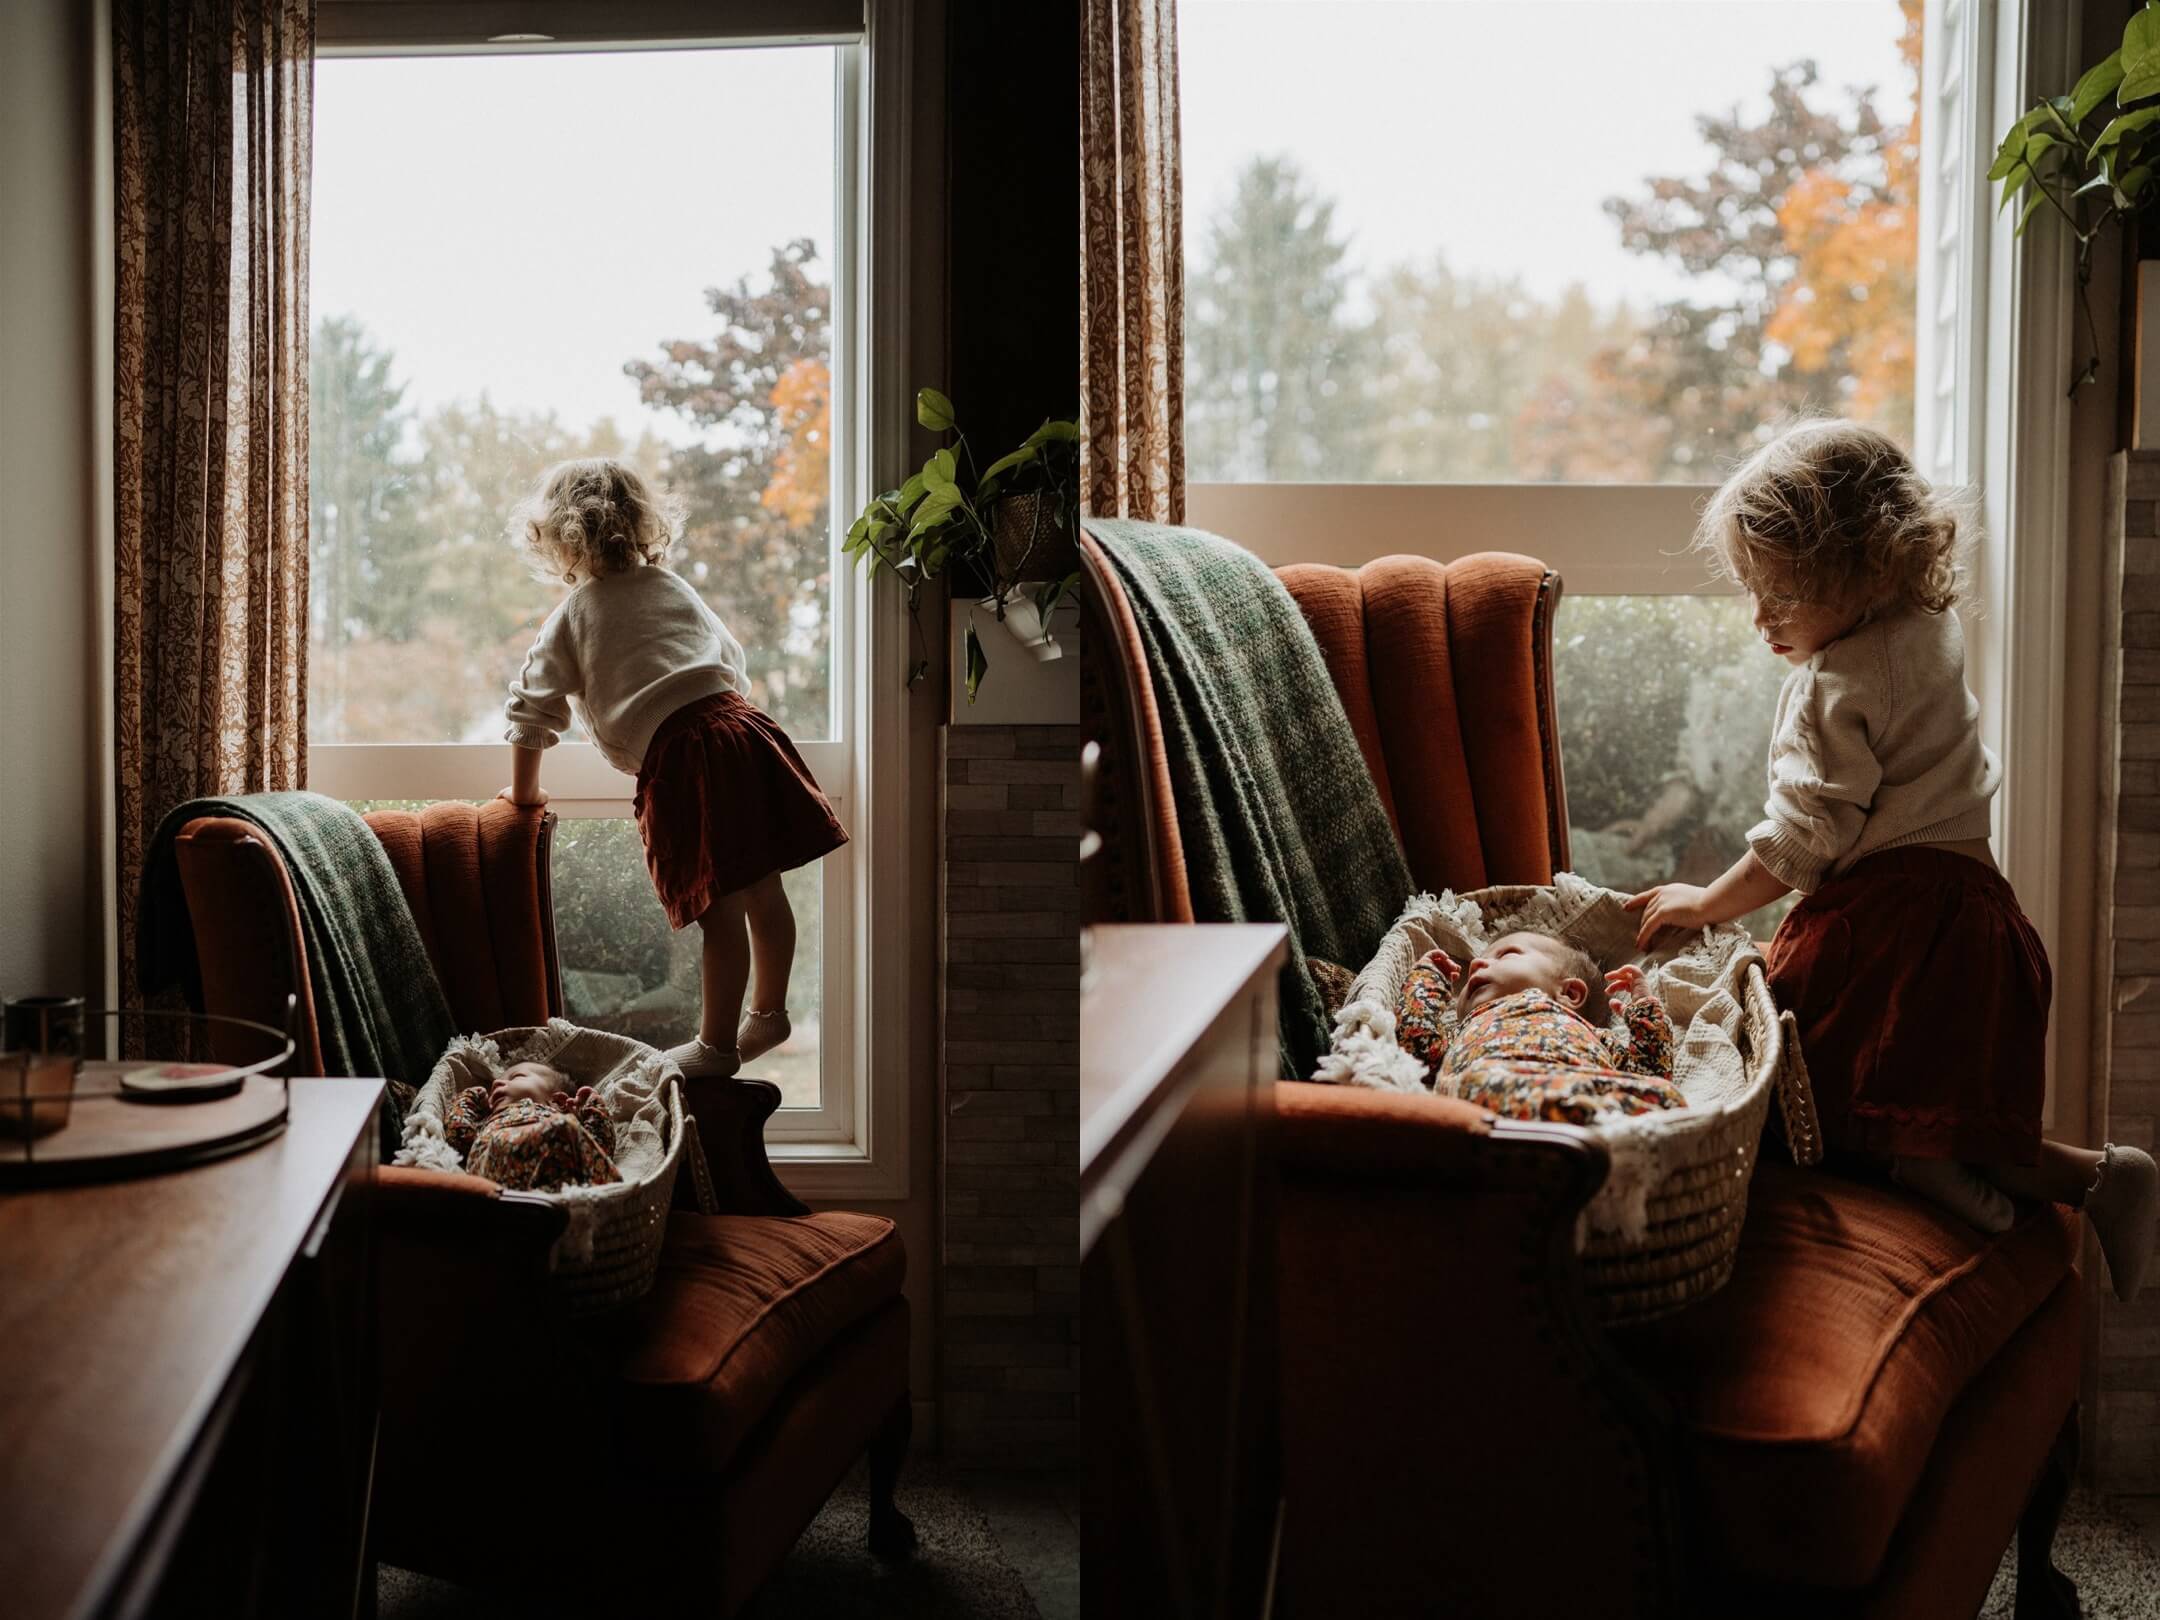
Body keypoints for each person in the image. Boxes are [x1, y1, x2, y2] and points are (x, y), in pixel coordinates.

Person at [1624, 418, 2158, 1301]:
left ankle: (1984, 1179)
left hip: (1896, 924)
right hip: (1976, 913)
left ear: (1864, 573)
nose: (1759, 618)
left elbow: (1802, 842)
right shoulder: (1925, 626)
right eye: (1753, 591)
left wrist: (1706, 903)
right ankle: (2090, 1174)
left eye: (1782, 595)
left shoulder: (1838, 687)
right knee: (1928, 1111)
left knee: (1807, 1095)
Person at [499, 458, 847, 1080]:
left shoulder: (576, 613)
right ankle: (769, 1011)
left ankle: (716, 1047)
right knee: (765, 888)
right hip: (742, 728)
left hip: (685, 754)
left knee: (718, 909)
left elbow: (532, 708)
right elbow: (731, 658)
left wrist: (524, 795)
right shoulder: (675, 587)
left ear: (558, 538)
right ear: (642, 521)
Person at [1395, 929, 1683, 1125]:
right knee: (1471, 1084)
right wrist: (1425, 981)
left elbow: (1651, 1073)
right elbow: (1415, 1046)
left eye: (1506, 955)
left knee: (1667, 1098)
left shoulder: (1596, 1037)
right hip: (1493, 1102)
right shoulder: (1463, 1031)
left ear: (1568, 993)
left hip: (1586, 1095)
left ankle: (1602, 1135)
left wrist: (1645, 1010)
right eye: (1476, 965)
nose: (1478, 964)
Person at [444, 1059, 618, 1192]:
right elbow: (457, 1136)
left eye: (517, 1077)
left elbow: (600, 1148)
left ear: (557, 1101)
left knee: (568, 1132)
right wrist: (469, 1098)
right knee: (564, 1129)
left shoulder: (561, 1122)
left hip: (554, 1189)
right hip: (492, 1167)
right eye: (492, 1087)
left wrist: (593, 1108)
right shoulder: (489, 1122)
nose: (496, 1084)